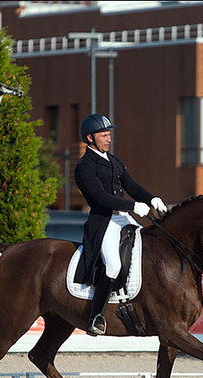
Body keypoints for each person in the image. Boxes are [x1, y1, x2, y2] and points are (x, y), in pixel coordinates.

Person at [73, 113, 168, 336]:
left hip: (124, 219)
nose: (109, 139)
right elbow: (99, 197)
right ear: (89, 138)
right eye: (103, 135)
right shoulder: (84, 166)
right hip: (103, 221)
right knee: (113, 266)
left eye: (109, 134)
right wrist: (132, 206)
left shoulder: (114, 161)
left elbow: (132, 187)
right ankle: (95, 317)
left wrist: (152, 198)